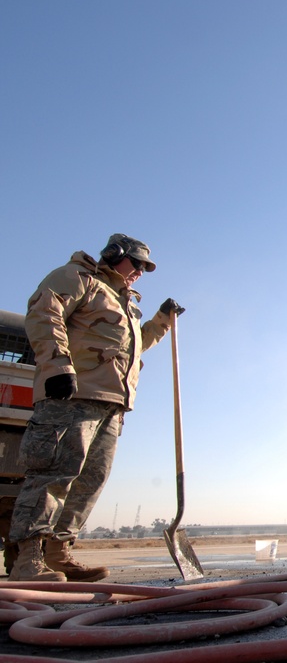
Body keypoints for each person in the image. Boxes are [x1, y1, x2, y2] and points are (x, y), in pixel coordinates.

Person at [8, 234, 184, 582]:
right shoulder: (78, 278)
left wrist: (161, 322)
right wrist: (57, 365)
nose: (139, 273)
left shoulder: (125, 303)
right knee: (53, 475)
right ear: (114, 255)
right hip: (71, 396)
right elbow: (44, 313)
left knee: (90, 480)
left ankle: (58, 552)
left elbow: (133, 348)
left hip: (112, 405)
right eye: (136, 264)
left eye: (144, 269)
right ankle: (27, 560)